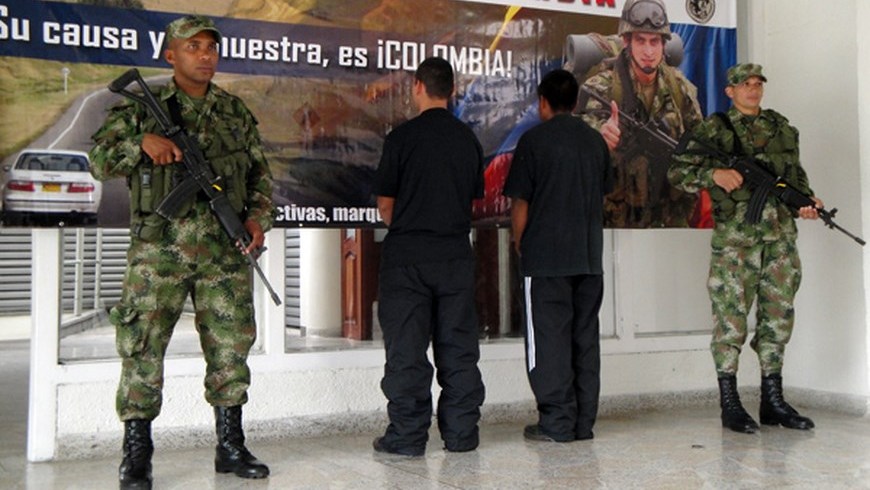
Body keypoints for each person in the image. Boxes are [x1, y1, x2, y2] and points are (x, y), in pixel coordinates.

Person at [89, 15, 274, 488]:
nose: (205, 55)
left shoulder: (234, 112)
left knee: (231, 349)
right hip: (158, 255)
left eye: (211, 47)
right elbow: (99, 160)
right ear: (170, 55)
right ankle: (137, 454)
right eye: (193, 47)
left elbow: (260, 178)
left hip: (224, 255)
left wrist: (257, 219)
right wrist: (141, 144)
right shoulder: (141, 109)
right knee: (143, 349)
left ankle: (230, 447)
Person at [669, 63, 822, 433]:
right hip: (737, 242)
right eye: (745, 84)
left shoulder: (783, 129)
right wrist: (713, 175)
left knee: (777, 317)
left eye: (757, 84)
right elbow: (677, 172)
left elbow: (794, 179)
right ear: (729, 91)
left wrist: (807, 201)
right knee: (731, 321)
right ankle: (730, 402)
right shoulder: (714, 131)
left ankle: (772, 400)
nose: (753, 90)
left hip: (780, 241)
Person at [373, 57, 486, 457]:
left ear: (417, 86)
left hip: (408, 256)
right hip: (455, 254)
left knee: (406, 349)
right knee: (458, 348)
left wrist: (408, 221)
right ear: (451, 90)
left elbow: (386, 205)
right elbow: (473, 201)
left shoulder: (400, 139)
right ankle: (461, 435)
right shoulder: (468, 140)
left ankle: (406, 438)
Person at [503, 69, 613, 442]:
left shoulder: (533, 141)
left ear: (543, 103)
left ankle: (555, 422)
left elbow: (521, 202)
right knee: (584, 338)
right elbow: (604, 192)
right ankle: (583, 422)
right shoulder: (596, 142)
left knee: (547, 340)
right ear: (576, 103)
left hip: (546, 259)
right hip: (587, 258)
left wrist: (521, 242)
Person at [580, 0, 703, 228]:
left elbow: (700, 147)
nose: (648, 51)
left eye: (655, 41)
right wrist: (599, 138)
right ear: (626, 41)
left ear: (664, 44)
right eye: (640, 40)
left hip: (669, 222)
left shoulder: (680, 89)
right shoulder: (602, 88)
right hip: (616, 223)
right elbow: (577, 150)